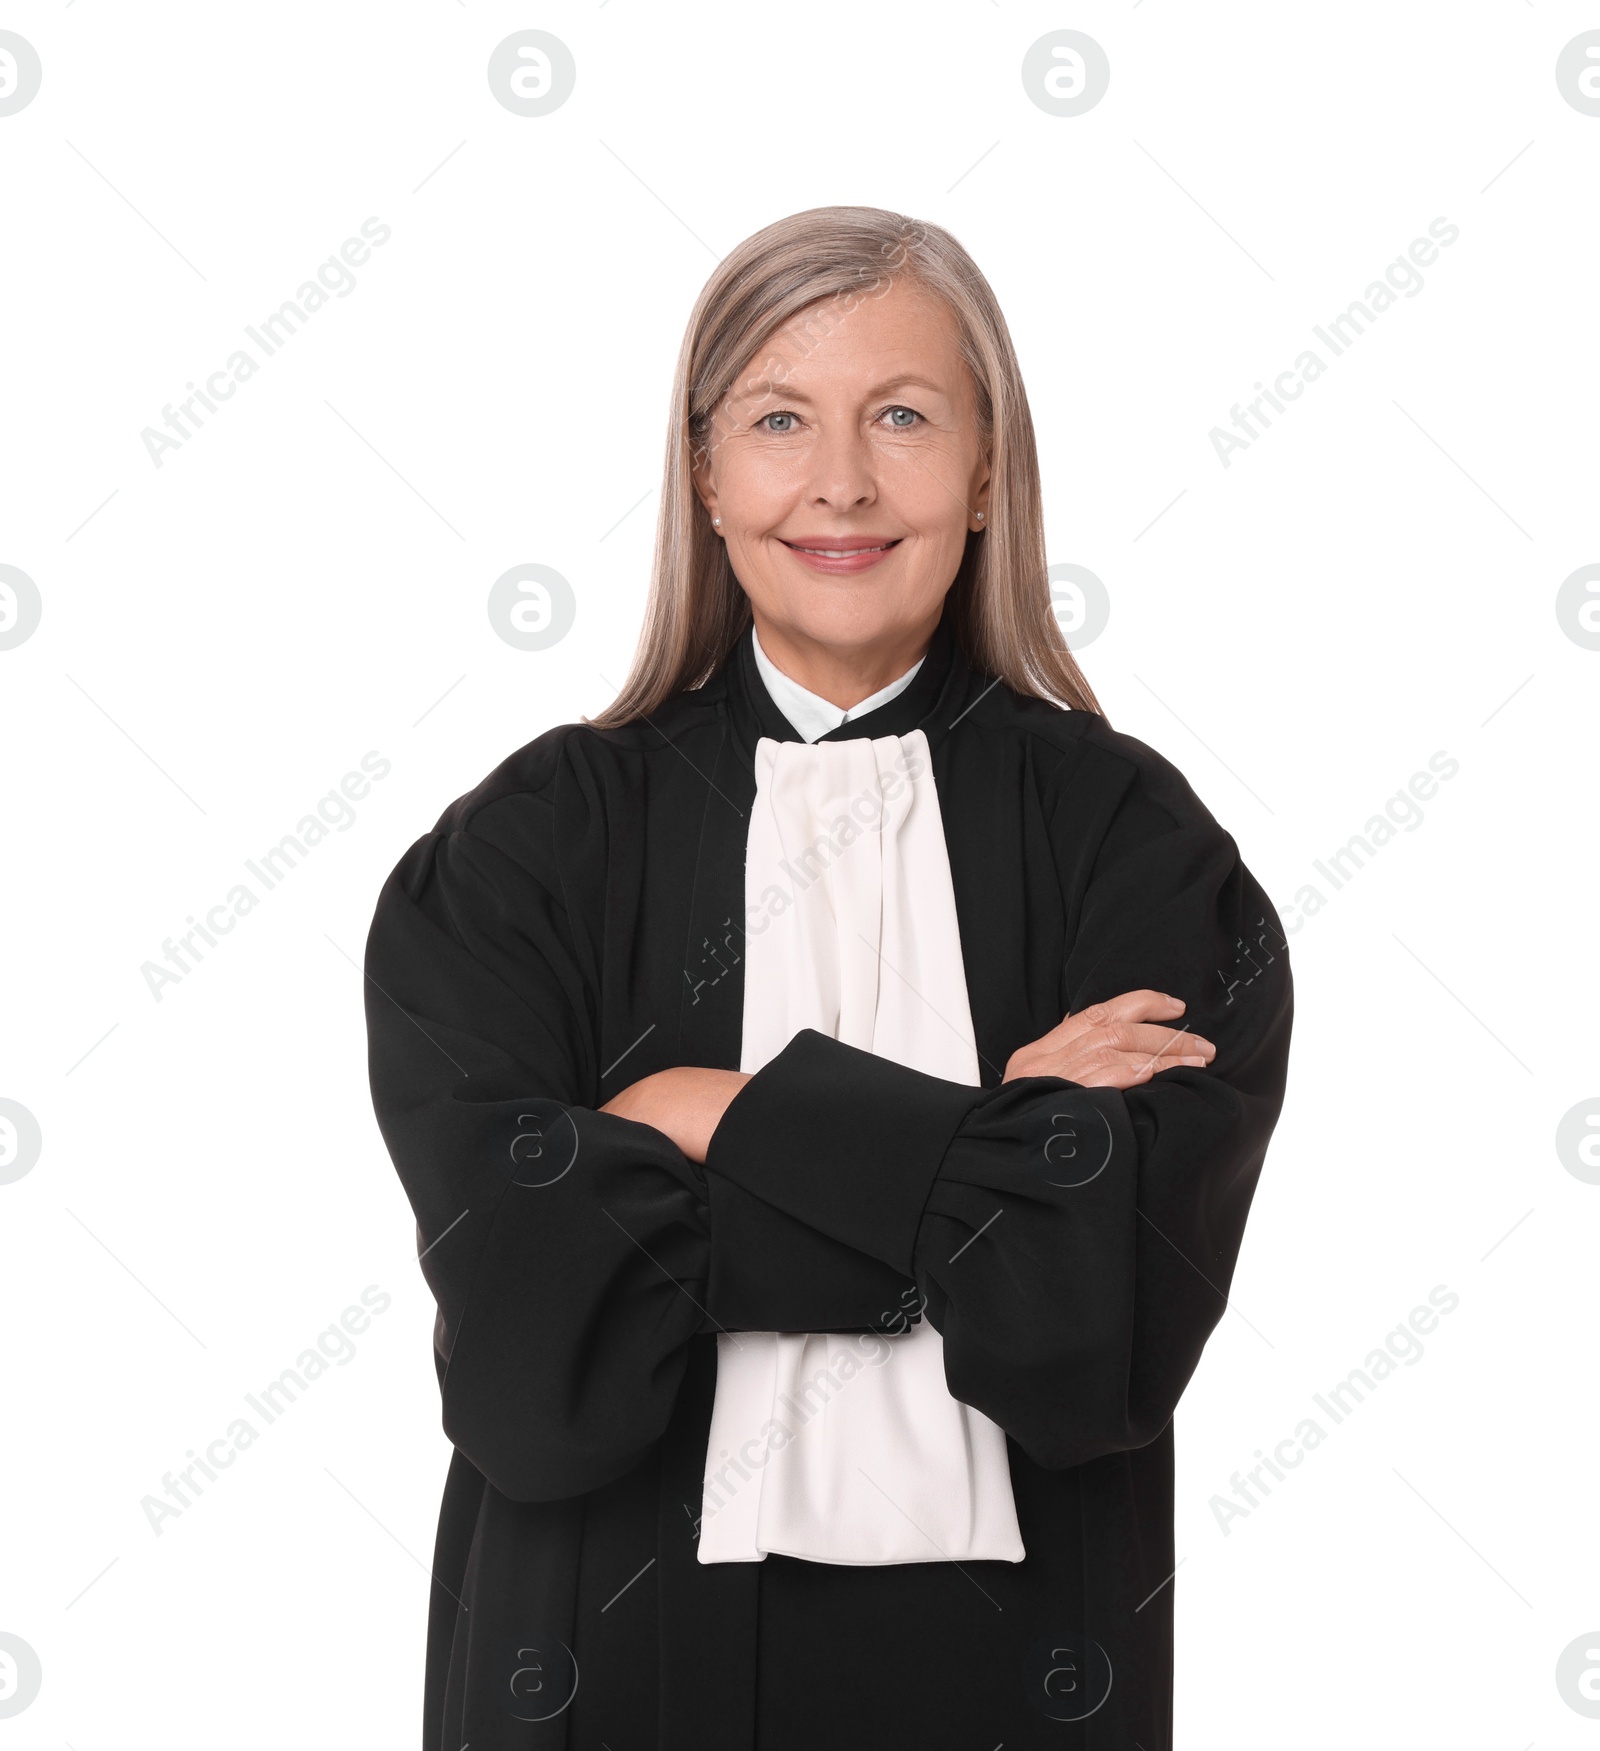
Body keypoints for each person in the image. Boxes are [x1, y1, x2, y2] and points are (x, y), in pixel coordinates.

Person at [363, 204, 1293, 1750]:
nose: (844, 482)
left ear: (989, 466)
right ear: (706, 468)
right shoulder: (526, 847)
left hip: (1027, 1677)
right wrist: (993, 1156)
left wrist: (695, 1116)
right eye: (781, 419)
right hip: (600, 1672)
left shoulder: (1135, 841)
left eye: (907, 418)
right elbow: (534, 1343)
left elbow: (1104, 1317)